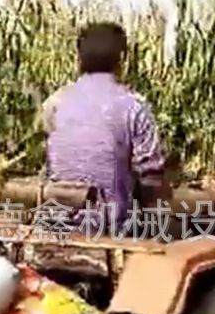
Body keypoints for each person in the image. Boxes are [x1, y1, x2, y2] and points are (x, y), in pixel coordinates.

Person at [42, 22, 167, 232]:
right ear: (121, 59)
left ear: (79, 59)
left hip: (57, 225)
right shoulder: (133, 106)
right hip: (111, 229)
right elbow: (150, 174)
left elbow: (52, 161)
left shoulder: (55, 103)